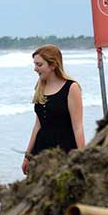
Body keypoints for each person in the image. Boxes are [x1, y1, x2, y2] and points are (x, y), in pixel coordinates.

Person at [22, 45, 85, 174]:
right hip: (40, 153)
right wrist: (27, 156)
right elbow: (37, 126)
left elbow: (78, 127)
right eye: (35, 64)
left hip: (65, 152)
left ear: (53, 65)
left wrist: (83, 159)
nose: (35, 69)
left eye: (39, 65)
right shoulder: (40, 87)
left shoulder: (71, 88)